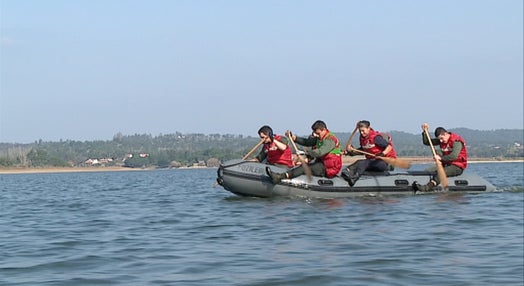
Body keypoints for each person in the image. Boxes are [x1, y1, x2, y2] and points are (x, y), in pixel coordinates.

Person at [266, 120, 342, 184]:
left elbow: (320, 152)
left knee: (304, 168)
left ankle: (279, 177)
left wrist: (306, 152)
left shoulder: (330, 140)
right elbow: (307, 142)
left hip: (330, 167)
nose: (316, 135)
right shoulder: (320, 138)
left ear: (324, 130)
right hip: (322, 164)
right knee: (304, 165)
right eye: (315, 133)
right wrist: (294, 138)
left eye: (318, 133)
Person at [413, 123, 468, 192]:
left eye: (441, 138)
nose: (441, 141)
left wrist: (440, 158)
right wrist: (425, 131)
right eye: (439, 139)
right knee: (428, 171)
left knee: (440, 172)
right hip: (446, 164)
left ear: (445, 134)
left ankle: (427, 187)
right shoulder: (442, 140)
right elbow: (428, 142)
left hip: (457, 166)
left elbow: (454, 156)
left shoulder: (456, 141)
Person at [342, 120, 398, 186]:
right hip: (373, 162)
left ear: (368, 128)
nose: (362, 133)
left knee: (364, 162)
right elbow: (363, 150)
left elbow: (389, 146)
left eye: (363, 131)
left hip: (386, 163)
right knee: (360, 162)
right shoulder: (362, 138)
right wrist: (351, 151)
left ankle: (354, 178)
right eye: (360, 131)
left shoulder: (376, 138)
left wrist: (382, 154)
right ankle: (348, 172)